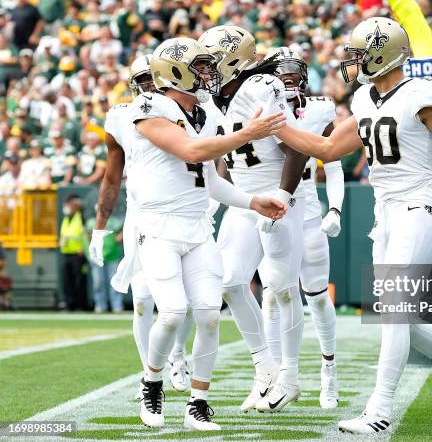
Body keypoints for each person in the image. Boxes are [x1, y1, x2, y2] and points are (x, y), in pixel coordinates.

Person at [270, 17, 432, 434]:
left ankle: (379, 410)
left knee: (396, 309)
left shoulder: (420, 92)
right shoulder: (366, 97)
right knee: (395, 316)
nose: (353, 62)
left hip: (421, 206)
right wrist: (272, 124)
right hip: (386, 215)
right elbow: (328, 148)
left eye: (359, 54)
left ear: (381, 54)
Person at [92, 36, 286, 431]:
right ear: (176, 71)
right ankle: (152, 383)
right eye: (200, 67)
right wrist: (248, 133)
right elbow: (191, 152)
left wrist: (252, 201)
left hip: (198, 227)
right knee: (173, 312)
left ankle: (198, 402)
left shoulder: (206, 114)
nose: (208, 73)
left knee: (210, 316)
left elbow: (211, 182)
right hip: (157, 228)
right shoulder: (149, 106)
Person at [198, 26, 308, 413]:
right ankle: (265, 367)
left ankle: (290, 376)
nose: (205, 72)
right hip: (244, 200)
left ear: (233, 60)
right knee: (229, 282)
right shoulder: (214, 98)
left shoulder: (261, 86)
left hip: (276, 196)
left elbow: (297, 148)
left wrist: (282, 194)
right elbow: (225, 157)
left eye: (211, 63)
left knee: (280, 286)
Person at [92, 54, 196, 395]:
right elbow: (111, 176)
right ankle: (148, 375)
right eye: (145, 82)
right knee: (142, 299)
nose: (151, 88)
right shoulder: (123, 116)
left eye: (156, 80)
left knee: (184, 298)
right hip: (141, 213)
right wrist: (99, 225)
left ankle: (178, 354)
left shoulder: (186, 108)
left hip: (181, 208)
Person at [257, 47, 344, 409]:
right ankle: (276, 377)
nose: (285, 85)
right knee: (273, 292)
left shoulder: (320, 109)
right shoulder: (258, 108)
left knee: (317, 295)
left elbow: (334, 162)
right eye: (280, 78)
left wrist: (336, 208)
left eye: (291, 79)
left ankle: (329, 369)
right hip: (274, 212)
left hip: (306, 212)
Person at [86, 205, 123, 313]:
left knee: (114, 281)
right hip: (98, 256)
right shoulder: (91, 222)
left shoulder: (115, 221)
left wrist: (119, 237)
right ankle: (100, 305)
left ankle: (117, 306)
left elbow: (122, 231)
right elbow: (87, 236)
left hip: (112, 256)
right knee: (98, 282)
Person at [59, 193, 88, 311]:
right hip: (66, 253)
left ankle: (81, 305)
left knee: (80, 280)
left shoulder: (81, 217)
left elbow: (85, 234)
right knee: (67, 280)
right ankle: (69, 304)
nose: (66, 206)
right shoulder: (66, 219)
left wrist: (84, 248)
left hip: (78, 254)